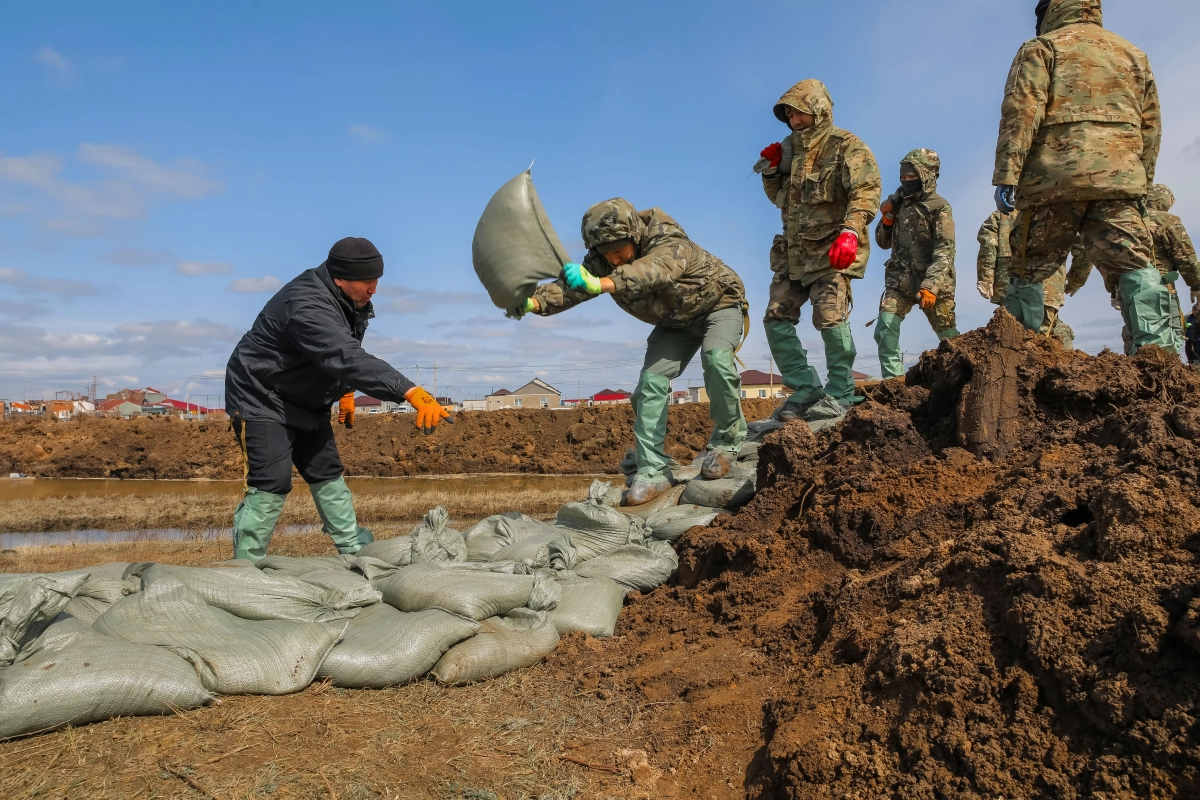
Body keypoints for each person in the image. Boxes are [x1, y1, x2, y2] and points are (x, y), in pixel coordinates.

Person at [224, 237, 452, 561]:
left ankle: (352, 550)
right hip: (262, 395)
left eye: (377, 281)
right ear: (340, 277)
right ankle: (246, 565)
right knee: (271, 481)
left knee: (327, 471)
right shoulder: (306, 304)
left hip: (308, 399)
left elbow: (340, 355)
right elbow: (342, 354)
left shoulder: (351, 302)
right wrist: (409, 390)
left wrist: (345, 391)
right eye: (367, 282)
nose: (374, 289)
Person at [514, 199, 748, 506]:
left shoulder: (667, 240)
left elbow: (654, 270)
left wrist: (602, 283)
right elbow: (572, 288)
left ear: (634, 237)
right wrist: (532, 302)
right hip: (674, 323)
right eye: (605, 253)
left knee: (716, 359)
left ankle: (726, 444)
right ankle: (652, 470)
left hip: (718, 305)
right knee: (649, 386)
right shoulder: (603, 262)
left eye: (619, 250)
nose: (613, 258)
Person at [992, 0, 1167, 351]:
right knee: (1134, 264)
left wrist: (1007, 174)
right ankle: (1157, 359)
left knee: (1029, 267)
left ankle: (1016, 361)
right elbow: (1151, 127)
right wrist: (1142, 183)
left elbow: (1021, 114)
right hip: (1120, 181)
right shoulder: (1134, 54)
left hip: (1050, 181)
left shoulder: (1041, 47)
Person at [758, 79, 881, 416]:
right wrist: (771, 173)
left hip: (831, 252)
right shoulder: (791, 151)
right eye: (790, 116)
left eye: (800, 113)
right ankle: (806, 389)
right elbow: (783, 199)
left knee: (830, 318)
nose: (795, 121)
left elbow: (866, 193)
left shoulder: (846, 146)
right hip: (793, 255)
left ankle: (841, 393)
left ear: (819, 109)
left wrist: (851, 232)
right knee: (775, 318)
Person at [873, 149, 957, 378]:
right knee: (885, 328)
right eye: (903, 177)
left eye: (912, 177)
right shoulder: (897, 203)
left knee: (950, 338)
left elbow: (945, 251)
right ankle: (894, 383)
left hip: (933, 285)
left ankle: (960, 380)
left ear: (928, 175)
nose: (906, 181)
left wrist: (930, 286)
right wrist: (887, 220)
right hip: (900, 281)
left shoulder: (939, 207)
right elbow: (882, 242)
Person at [979, 210, 1086, 347]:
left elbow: (988, 244)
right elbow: (1082, 245)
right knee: (1040, 340)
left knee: (1011, 338)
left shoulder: (1002, 214)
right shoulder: (1061, 209)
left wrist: (986, 277)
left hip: (1008, 287)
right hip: (1048, 285)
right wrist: (1076, 279)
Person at [1186, 302, 1200, 369]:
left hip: (1198, 342)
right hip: (1190, 342)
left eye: (1196, 310)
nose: (1194, 312)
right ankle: (1195, 372)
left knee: (1197, 358)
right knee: (1191, 359)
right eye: (1193, 310)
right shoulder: (1189, 317)